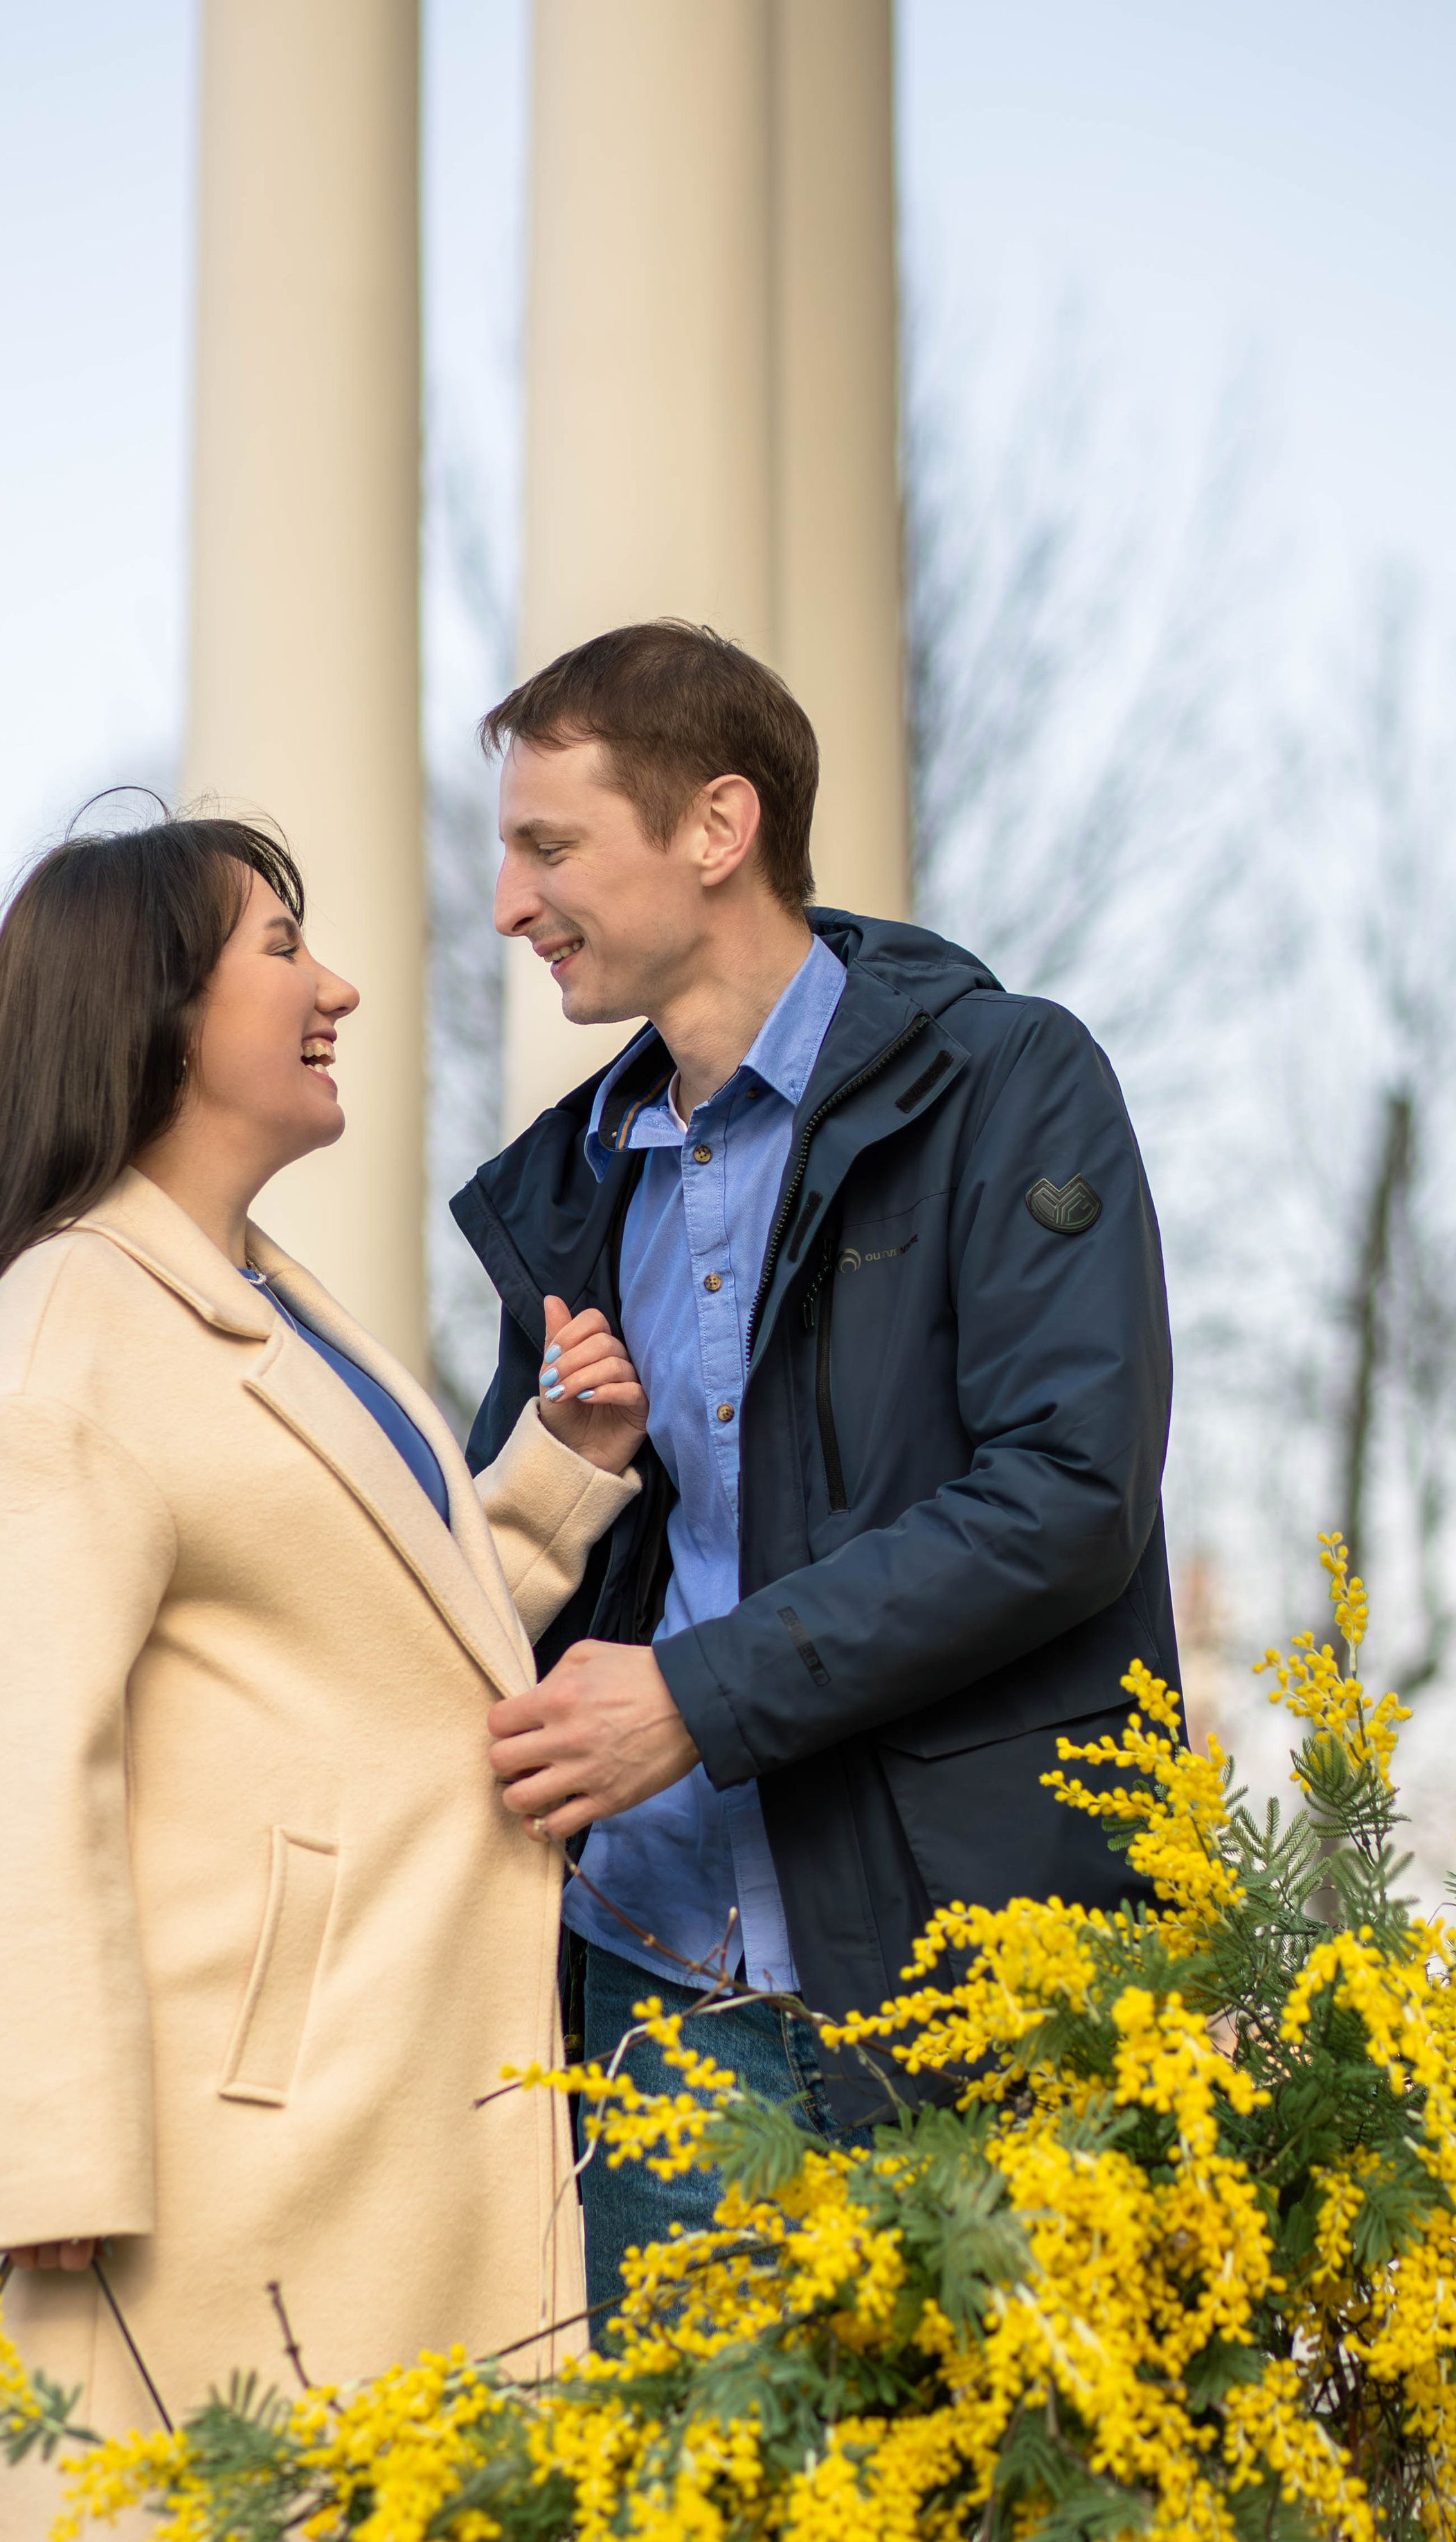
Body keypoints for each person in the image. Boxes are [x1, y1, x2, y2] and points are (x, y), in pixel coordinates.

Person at [0, 812, 645, 2542]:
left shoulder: (267, 1300)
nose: (335, 985)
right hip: (209, 2172)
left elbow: (385, 1641)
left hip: (381, 2111)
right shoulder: (64, 1333)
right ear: (152, 1011)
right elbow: (18, 1775)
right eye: (277, 947)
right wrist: (56, 2173)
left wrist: (555, 1472)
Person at [451, 621, 1181, 2320]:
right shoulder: (566, 1193)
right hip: (651, 2012)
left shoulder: (1007, 1086)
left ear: (717, 828)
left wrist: (698, 1700)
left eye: (547, 846)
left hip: (966, 1991)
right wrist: (565, 1468)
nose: (507, 903)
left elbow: (1069, 1493)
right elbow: (540, 1578)